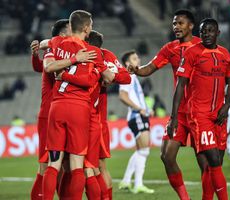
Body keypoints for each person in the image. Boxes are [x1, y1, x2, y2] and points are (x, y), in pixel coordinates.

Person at [129, 9, 230, 200]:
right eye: (174, 24)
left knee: (207, 164)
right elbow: (150, 67)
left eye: (180, 23)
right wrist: (136, 70)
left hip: (202, 111)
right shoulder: (170, 49)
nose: (176, 27)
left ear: (191, 26)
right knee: (166, 156)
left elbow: (223, 63)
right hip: (181, 112)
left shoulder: (204, 43)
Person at [42, 10, 114, 200]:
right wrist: (95, 69)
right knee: (77, 166)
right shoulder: (93, 52)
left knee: (53, 164)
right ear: (86, 28)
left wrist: (68, 62)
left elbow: (48, 65)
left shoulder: (57, 43)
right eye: (90, 25)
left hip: (56, 107)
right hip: (78, 110)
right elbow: (110, 76)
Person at [168, 18, 230, 200]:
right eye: (203, 31)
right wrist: (174, 118)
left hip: (219, 114)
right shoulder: (191, 53)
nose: (206, 34)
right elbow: (180, 86)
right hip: (199, 114)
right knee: (213, 160)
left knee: (216, 163)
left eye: (210, 31)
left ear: (218, 33)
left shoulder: (225, 54)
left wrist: (226, 105)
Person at [29, 19, 73, 200]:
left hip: (62, 112)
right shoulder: (53, 50)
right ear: (63, 34)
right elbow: (43, 66)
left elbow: (39, 67)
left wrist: (35, 56)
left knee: (64, 164)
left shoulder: (57, 52)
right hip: (49, 114)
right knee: (46, 165)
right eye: (72, 29)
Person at [118, 50, 154, 194]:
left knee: (140, 150)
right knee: (144, 150)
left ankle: (126, 181)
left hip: (137, 115)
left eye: (138, 57)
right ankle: (138, 184)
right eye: (134, 58)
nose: (138, 60)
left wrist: (146, 108)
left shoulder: (133, 77)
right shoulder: (128, 75)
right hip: (136, 116)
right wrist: (139, 109)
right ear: (127, 63)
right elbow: (122, 96)